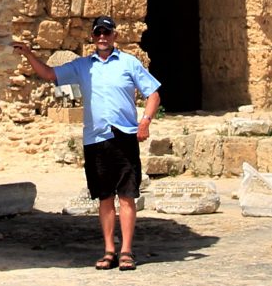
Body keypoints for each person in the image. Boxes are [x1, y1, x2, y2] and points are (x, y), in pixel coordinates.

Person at [13, 16, 161, 271]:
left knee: (126, 195)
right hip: (96, 138)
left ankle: (126, 251)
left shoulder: (129, 63)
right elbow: (49, 74)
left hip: (123, 136)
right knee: (104, 197)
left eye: (107, 32)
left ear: (115, 35)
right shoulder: (82, 66)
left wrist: (145, 121)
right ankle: (108, 251)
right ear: (93, 37)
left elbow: (153, 94)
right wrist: (28, 55)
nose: (102, 37)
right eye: (98, 33)